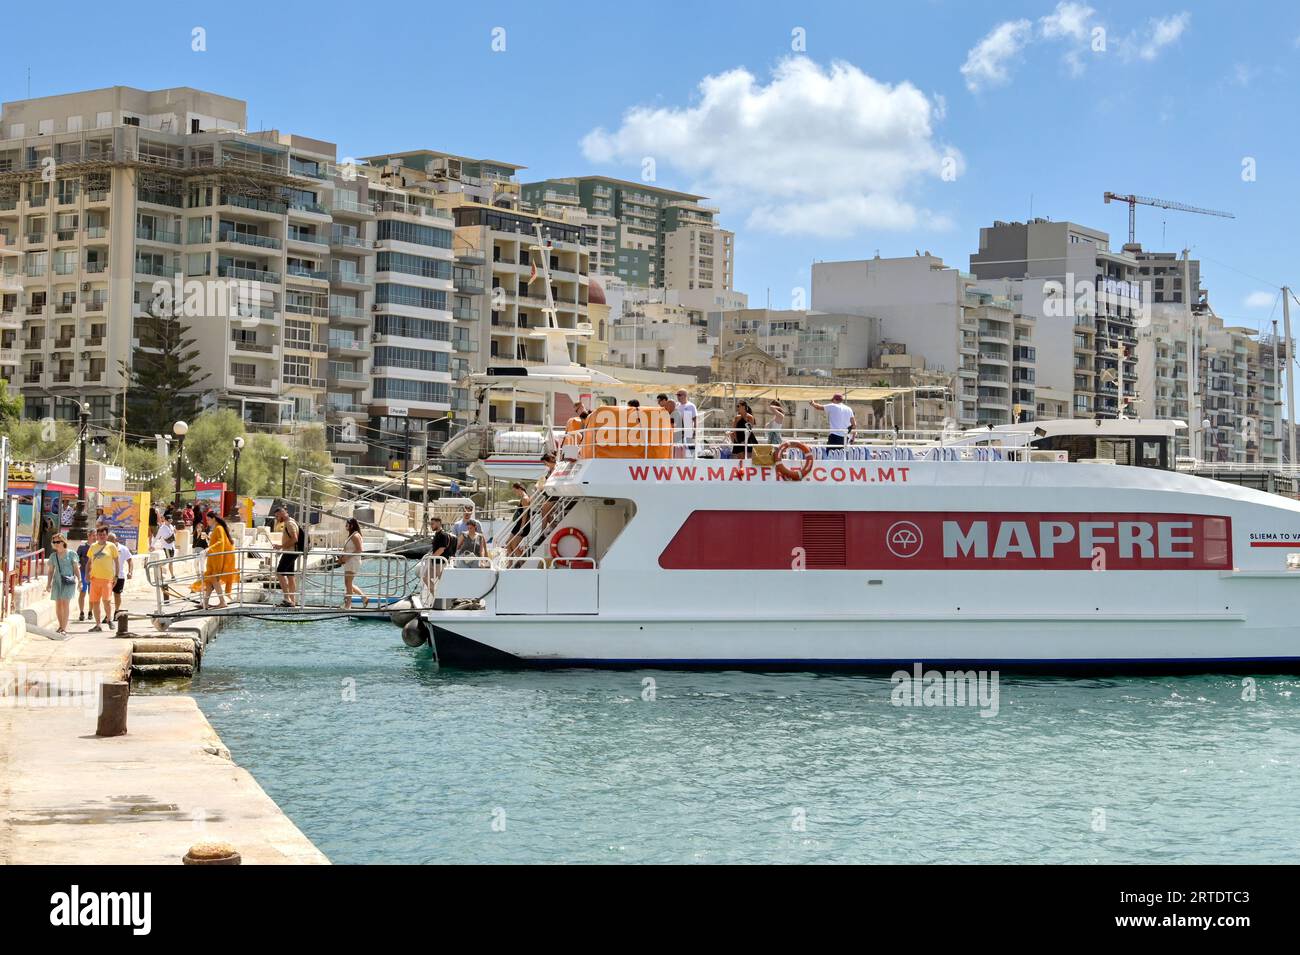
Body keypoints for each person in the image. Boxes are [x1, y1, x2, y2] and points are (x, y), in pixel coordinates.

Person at [85, 527, 119, 632]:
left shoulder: (112, 546)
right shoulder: (93, 547)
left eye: (104, 534)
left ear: (107, 535)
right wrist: (87, 573)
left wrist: (116, 576)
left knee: (106, 601)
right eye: (100, 534)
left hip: (107, 579)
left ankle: (109, 619)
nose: (101, 536)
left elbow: (117, 562)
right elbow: (89, 562)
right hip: (95, 579)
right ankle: (98, 624)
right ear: (97, 535)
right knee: (95, 602)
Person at [45, 535, 79, 635]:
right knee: (58, 604)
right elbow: (51, 571)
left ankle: (64, 628)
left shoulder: (72, 554)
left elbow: (76, 568)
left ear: (63, 542)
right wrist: (48, 584)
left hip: (68, 581)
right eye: (54, 542)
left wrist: (80, 580)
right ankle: (60, 626)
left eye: (58, 542)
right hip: (57, 582)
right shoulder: (53, 556)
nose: (56, 544)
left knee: (65, 603)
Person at [201, 513, 236, 609]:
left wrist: (209, 549)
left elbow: (221, 542)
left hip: (216, 559)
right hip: (214, 558)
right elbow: (218, 541)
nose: (207, 522)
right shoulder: (218, 528)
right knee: (209, 580)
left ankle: (222, 602)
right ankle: (205, 602)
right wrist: (208, 539)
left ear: (214, 519)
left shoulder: (218, 528)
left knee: (213, 579)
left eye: (208, 519)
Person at [273, 505, 301, 608]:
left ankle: (287, 598)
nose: (277, 518)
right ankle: (292, 601)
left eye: (277, 516)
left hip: (290, 552)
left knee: (279, 573)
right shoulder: (291, 521)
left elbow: (294, 539)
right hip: (291, 552)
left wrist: (281, 546)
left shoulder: (289, 523)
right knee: (290, 575)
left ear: (281, 514)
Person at [341, 517, 368, 610]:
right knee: (347, 583)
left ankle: (348, 605)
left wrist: (347, 557)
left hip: (353, 561)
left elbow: (359, 549)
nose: (345, 526)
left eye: (347, 524)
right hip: (349, 562)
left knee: (348, 583)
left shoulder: (355, 536)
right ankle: (363, 597)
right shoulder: (351, 535)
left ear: (351, 525)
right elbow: (350, 548)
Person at [109, 532, 133, 619]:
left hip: (119, 575)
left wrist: (130, 572)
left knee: (117, 594)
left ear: (116, 540)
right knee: (107, 596)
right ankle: (107, 615)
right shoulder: (105, 548)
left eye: (111, 539)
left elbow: (130, 560)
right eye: (108, 539)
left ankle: (117, 611)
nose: (109, 541)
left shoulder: (123, 549)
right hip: (107, 576)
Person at [506, 482, 532, 557]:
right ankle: (511, 563)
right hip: (519, 524)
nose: (514, 493)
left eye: (515, 491)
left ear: (520, 489)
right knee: (508, 543)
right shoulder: (522, 498)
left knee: (514, 545)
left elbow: (525, 515)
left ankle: (522, 563)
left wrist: (522, 528)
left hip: (523, 525)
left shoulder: (525, 498)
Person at [152, 512, 177, 578]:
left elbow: (173, 536)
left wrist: (175, 532)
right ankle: (159, 565)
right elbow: (157, 537)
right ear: (165, 520)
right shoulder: (162, 528)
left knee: (171, 561)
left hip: (172, 546)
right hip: (166, 546)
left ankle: (172, 575)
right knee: (169, 560)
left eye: (171, 520)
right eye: (169, 520)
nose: (170, 522)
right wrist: (152, 545)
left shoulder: (171, 526)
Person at [75, 537, 91, 622]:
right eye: (93, 535)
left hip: (94, 574)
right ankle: (81, 612)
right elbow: (77, 559)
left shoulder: (97, 547)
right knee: (83, 592)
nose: (95, 537)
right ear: (89, 536)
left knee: (92, 594)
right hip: (83, 572)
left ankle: (90, 611)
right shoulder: (82, 547)